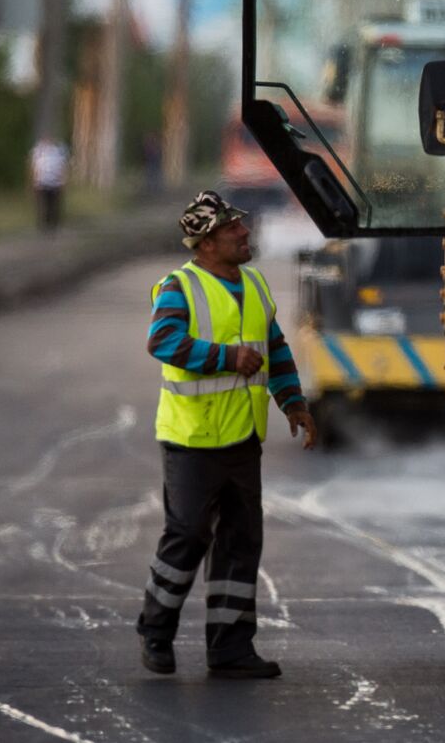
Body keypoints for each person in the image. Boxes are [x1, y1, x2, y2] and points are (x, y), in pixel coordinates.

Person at [136, 190, 317, 679]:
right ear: (206, 244)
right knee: (189, 534)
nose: (244, 232)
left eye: (240, 224)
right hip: (192, 440)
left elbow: (274, 346)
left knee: (240, 542)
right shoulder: (179, 286)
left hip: (241, 440)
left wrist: (292, 401)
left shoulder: (255, 284)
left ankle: (231, 650)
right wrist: (227, 358)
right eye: (231, 229)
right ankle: (155, 630)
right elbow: (164, 341)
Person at [30, 135, 69, 234]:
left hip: (55, 183)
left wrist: (63, 181)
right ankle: (44, 225)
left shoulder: (58, 152)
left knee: (54, 204)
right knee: (44, 204)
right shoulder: (38, 152)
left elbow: (63, 167)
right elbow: (34, 167)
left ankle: (54, 224)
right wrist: (34, 181)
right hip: (42, 182)